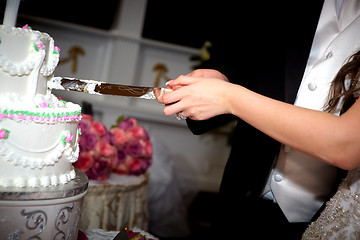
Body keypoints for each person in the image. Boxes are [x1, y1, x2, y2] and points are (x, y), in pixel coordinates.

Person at [155, 1, 360, 239]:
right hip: (244, 193)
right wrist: (222, 75)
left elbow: (347, 145)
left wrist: (227, 97)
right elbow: (253, 45)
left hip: (324, 218)